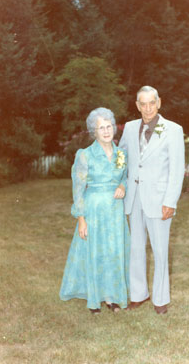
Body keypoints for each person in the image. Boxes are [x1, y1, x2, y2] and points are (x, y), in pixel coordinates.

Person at [119, 86, 185, 315]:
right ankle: (138, 294)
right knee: (136, 248)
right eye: (142, 104)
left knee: (159, 250)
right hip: (134, 198)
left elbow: (177, 170)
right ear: (137, 105)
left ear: (159, 103)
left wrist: (170, 201)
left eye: (151, 103)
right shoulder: (129, 128)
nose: (147, 108)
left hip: (159, 200)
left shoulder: (173, 130)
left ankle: (160, 298)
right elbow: (122, 159)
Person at [60, 107, 130, 314]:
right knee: (96, 253)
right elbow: (78, 189)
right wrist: (81, 219)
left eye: (109, 126)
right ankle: (95, 299)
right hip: (94, 211)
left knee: (114, 252)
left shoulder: (120, 154)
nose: (106, 131)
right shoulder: (85, 155)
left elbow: (124, 177)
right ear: (94, 131)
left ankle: (112, 297)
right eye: (101, 128)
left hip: (115, 211)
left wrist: (122, 186)